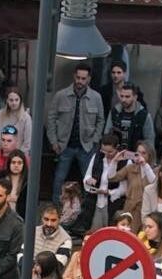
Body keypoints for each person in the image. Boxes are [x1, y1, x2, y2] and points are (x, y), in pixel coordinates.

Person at [46, 62, 103, 207]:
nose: (80, 81)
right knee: (59, 178)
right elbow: (50, 118)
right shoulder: (61, 95)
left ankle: (86, 209)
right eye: (78, 77)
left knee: (88, 180)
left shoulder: (96, 97)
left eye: (83, 78)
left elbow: (100, 121)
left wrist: (94, 142)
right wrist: (54, 141)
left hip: (86, 146)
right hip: (65, 145)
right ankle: (56, 208)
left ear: (89, 79)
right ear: (74, 76)